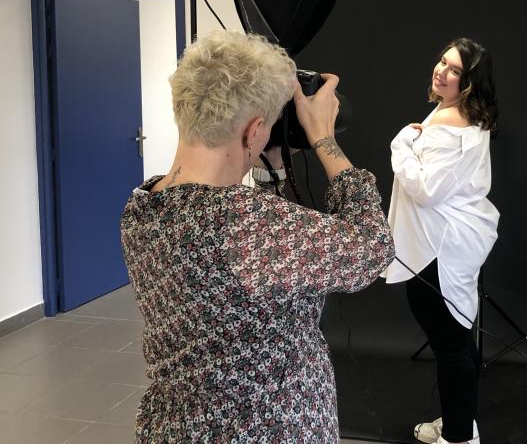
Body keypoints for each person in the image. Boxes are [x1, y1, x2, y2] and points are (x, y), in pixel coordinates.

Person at [120, 29, 395, 443]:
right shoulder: (246, 225)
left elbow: (252, 274)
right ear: (253, 131)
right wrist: (323, 138)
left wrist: (270, 169)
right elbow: (372, 248)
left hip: (175, 427)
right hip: (271, 427)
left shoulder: (142, 207)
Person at [382, 38, 500, 444]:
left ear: (468, 82)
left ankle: (459, 438)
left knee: (450, 342)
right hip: (449, 240)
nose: (441, 71)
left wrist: (401, 144)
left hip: (439, 244)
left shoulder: (450, 123)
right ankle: (460, 424)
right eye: (442, 62)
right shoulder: (460, 114)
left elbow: (426, 190)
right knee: (456, 335)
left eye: (453, 69)